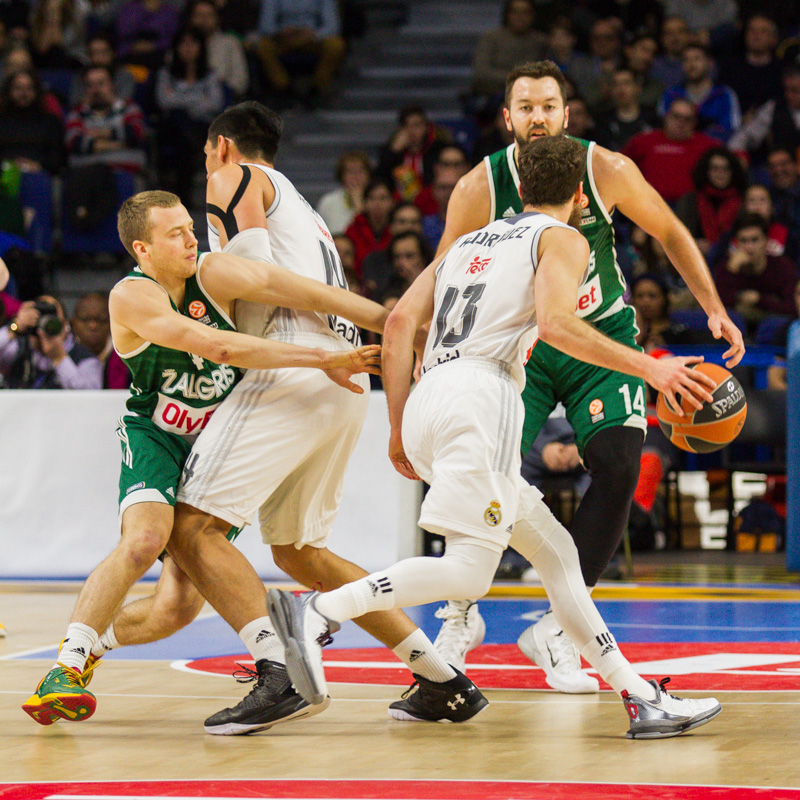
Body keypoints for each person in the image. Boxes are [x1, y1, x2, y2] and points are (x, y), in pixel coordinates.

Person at [266, 135, 722, 740]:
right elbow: (558, 325)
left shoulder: (465, 243)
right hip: (482, 398)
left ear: (520, 189)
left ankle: (640, 697)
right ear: (581, 196)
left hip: (432, 394)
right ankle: (319, 610)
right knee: (469, 574)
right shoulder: (563, 238)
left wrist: (401, 426)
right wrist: (652, 368)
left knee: (558, 558)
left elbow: (401, 321)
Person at [53, 103, 479, 735]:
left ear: (221, 148)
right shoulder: (305, 210)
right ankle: (441, 676)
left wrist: (334, 347)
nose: (197, 225)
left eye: (204, 162)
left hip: (292, 374)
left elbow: (258, 283)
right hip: (341, 385)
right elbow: (306, 290)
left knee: (192, 530)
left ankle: (277, 668)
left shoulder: (233, 179)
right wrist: (397, 327)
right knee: (302, 552)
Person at [428, 60, 744, 693]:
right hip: (519, 345)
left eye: (549, 105)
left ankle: (558, 627)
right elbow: (441, 278)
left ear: (567, 115)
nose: (539, 116)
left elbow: (672, 232)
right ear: (508, 118)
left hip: (601, 338)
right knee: (480, 479)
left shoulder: (608, 170)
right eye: (527, 106)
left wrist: (712, 306)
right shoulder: (478, 188)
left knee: (621, 464)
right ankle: (460, 615)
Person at [21, 188, 385, 726]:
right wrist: (325, 357)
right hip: (158, 435)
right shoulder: (132, 296)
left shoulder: (213, 273)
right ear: (142, 249)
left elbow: (302, 290)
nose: (192, 238)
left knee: (177, 607)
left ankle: (92, 649)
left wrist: (395, 322)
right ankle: (65, 665)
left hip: (211, 444)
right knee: (144, 538)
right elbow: (219, 348)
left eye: (191, 227)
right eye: (176, 234)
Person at [623, 97, 721, 205]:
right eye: (676, 117)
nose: (681, 123)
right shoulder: (644, 141)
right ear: (666, 117)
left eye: (687, 119)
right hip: (647, 205)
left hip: (689, 208)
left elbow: (734, 159)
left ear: (694, 123)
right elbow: (618, 165)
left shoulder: (706, 145)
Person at [0, 293, 103, 389]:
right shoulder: (19, 350)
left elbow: (90, 398)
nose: (43, 331)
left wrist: (59, 358)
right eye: (38, 322)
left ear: (66, 326)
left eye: (52, 322)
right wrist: (15, 328)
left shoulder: (85, 359)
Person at [253, 0, 345, 106]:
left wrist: (313, 34)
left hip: (312, 38)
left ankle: (317, 88)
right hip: (284, 38)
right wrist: (281, 31)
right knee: (263, 46)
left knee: (336, 45)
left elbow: (332, 26)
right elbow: (265, 26)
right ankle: (284, 88)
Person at [713, 213, 797, 324]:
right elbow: (715, 307)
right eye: (743, 241)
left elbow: (793, 307)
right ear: (736, 243)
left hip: (772, 329)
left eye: (755, 240)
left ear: (766, 241)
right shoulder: (726, 267)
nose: (749, 247)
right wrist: (731, 271)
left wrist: (759, 300)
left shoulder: (783, 267)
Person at [657, 44, 741, 142]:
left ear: (710, 63)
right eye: (686, 60)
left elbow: (731, 132)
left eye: (697, 59)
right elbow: (661, 130)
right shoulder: (671, 95)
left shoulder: (724, 95)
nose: (691, 64)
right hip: (676, 150)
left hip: (712, 151)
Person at [674, 146, 746, 256]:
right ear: (706, 171)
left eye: (725, 169)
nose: (720, 173)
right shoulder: (690, 200)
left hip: (735, 258)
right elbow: (678, 236)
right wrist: (694, 244)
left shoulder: (743, 200)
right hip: (695, 258)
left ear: (733, 172)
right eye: (715, 168)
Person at [470, 0, 546, 98]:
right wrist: (516, 78)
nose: (520, 17)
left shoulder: (541, 42)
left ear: (533, 16)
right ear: (507, 14)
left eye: (525, 12)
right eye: (515, 12)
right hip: (493, 95)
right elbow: (481, 73)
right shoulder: (491, 39)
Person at [187, 0, 249, 98]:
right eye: (199, 15)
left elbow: (240, 81)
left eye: (209, 15)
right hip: (185, 98)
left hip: (223, 100)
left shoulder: (230, 42)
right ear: (191, 18)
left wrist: (220, 90)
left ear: (218, 19)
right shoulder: (182, 43)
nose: (204, 20)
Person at [70, 290, 130, 389]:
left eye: (100, 320)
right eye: (85, 319)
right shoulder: (66, 354)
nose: (93, 326)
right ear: (73, 323)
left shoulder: (126, 358)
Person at [315, 150, 372, 236]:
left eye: (360, 171)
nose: (356, 177)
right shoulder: (328, 202)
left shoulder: (377, 200)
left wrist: (359, 205)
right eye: (350, 171)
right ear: (342, 176)